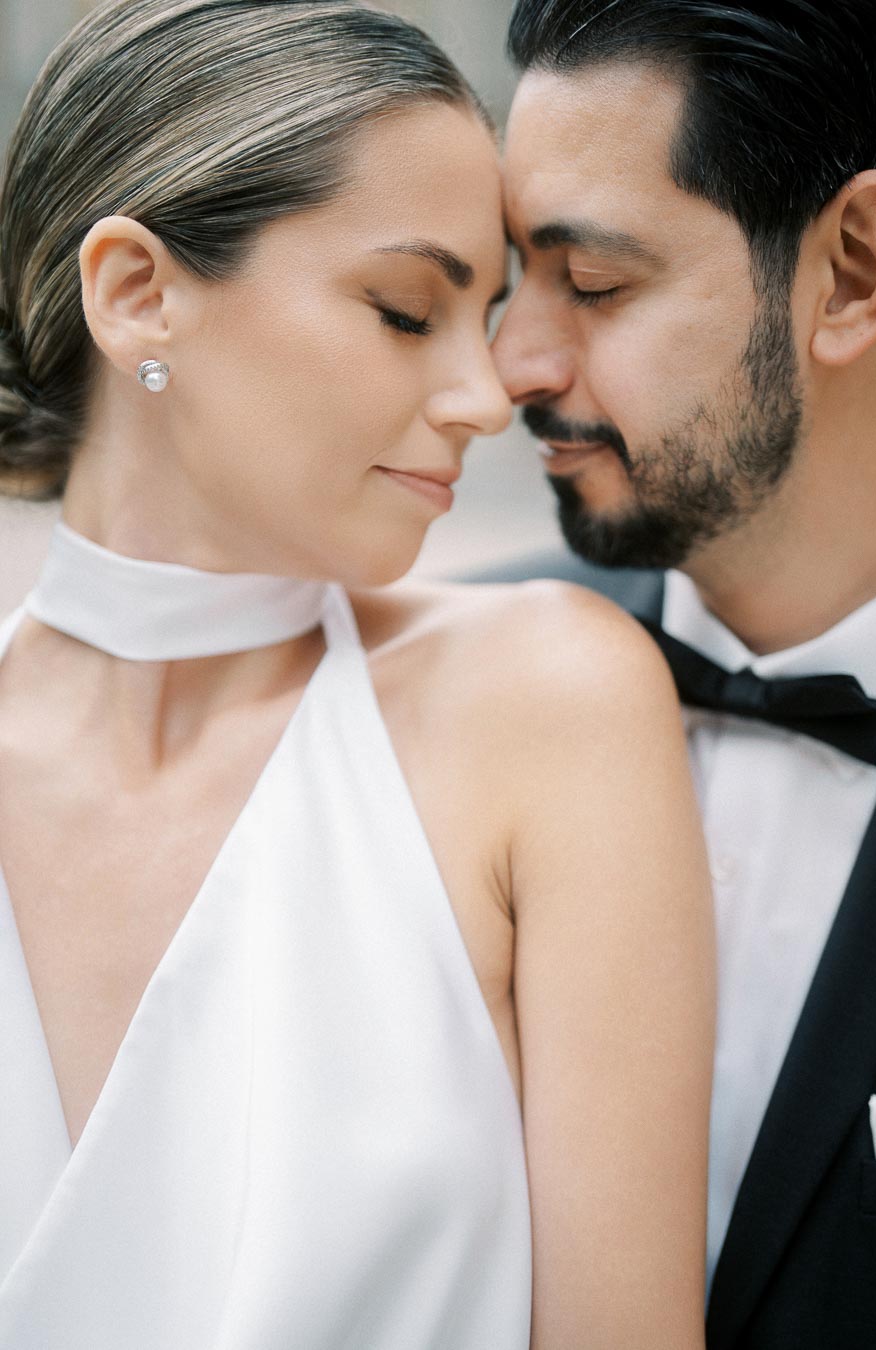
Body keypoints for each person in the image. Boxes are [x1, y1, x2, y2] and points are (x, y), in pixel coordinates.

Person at [0, 1, 714, 1346]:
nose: (487, 393)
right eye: (405, 310)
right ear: (136, 290)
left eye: (484, 316)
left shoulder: (547, 705)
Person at [490, 1, 876, 1346]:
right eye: (510, 278)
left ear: (850, 271)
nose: (513, 366)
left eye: (594, 284)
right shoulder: (436, 695)